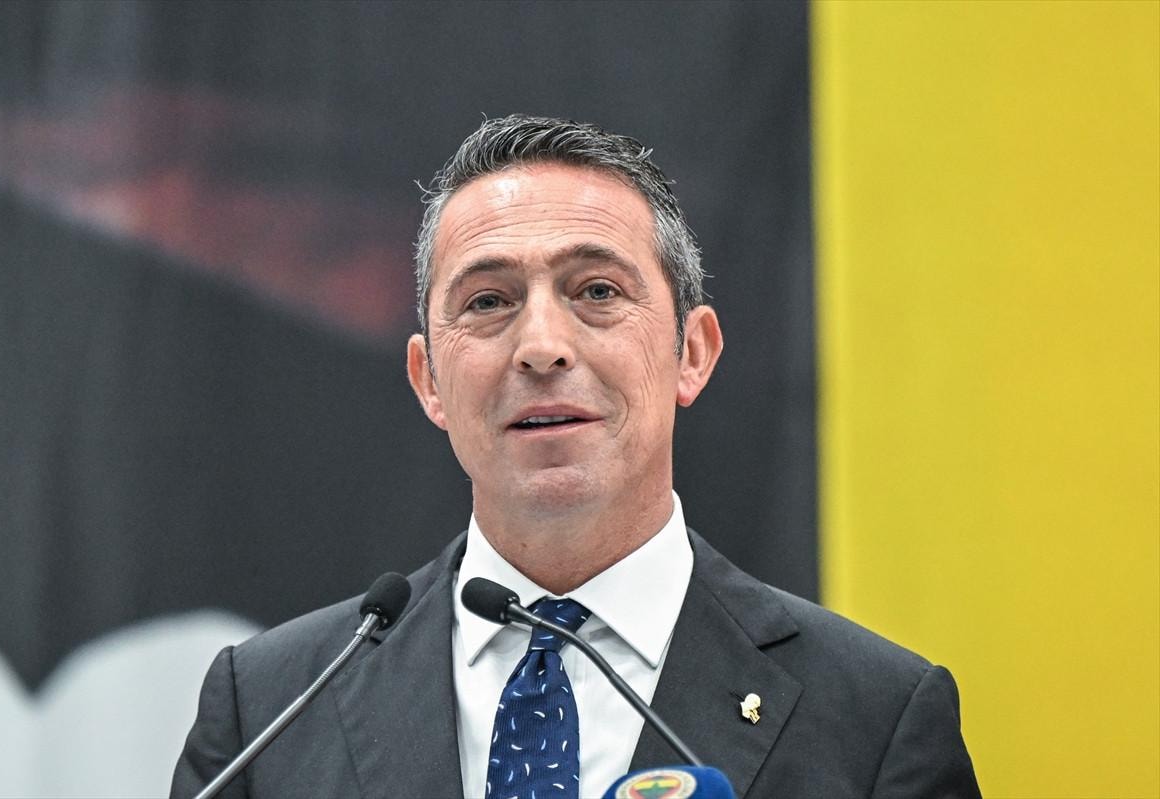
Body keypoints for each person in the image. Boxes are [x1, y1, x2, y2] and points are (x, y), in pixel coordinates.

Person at [172, 115, 980, 799]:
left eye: (597, 291)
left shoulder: (875, 720)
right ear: (429, 380)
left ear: (693, 352)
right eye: (489, 301)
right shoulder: (268, 709)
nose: (542, 346)